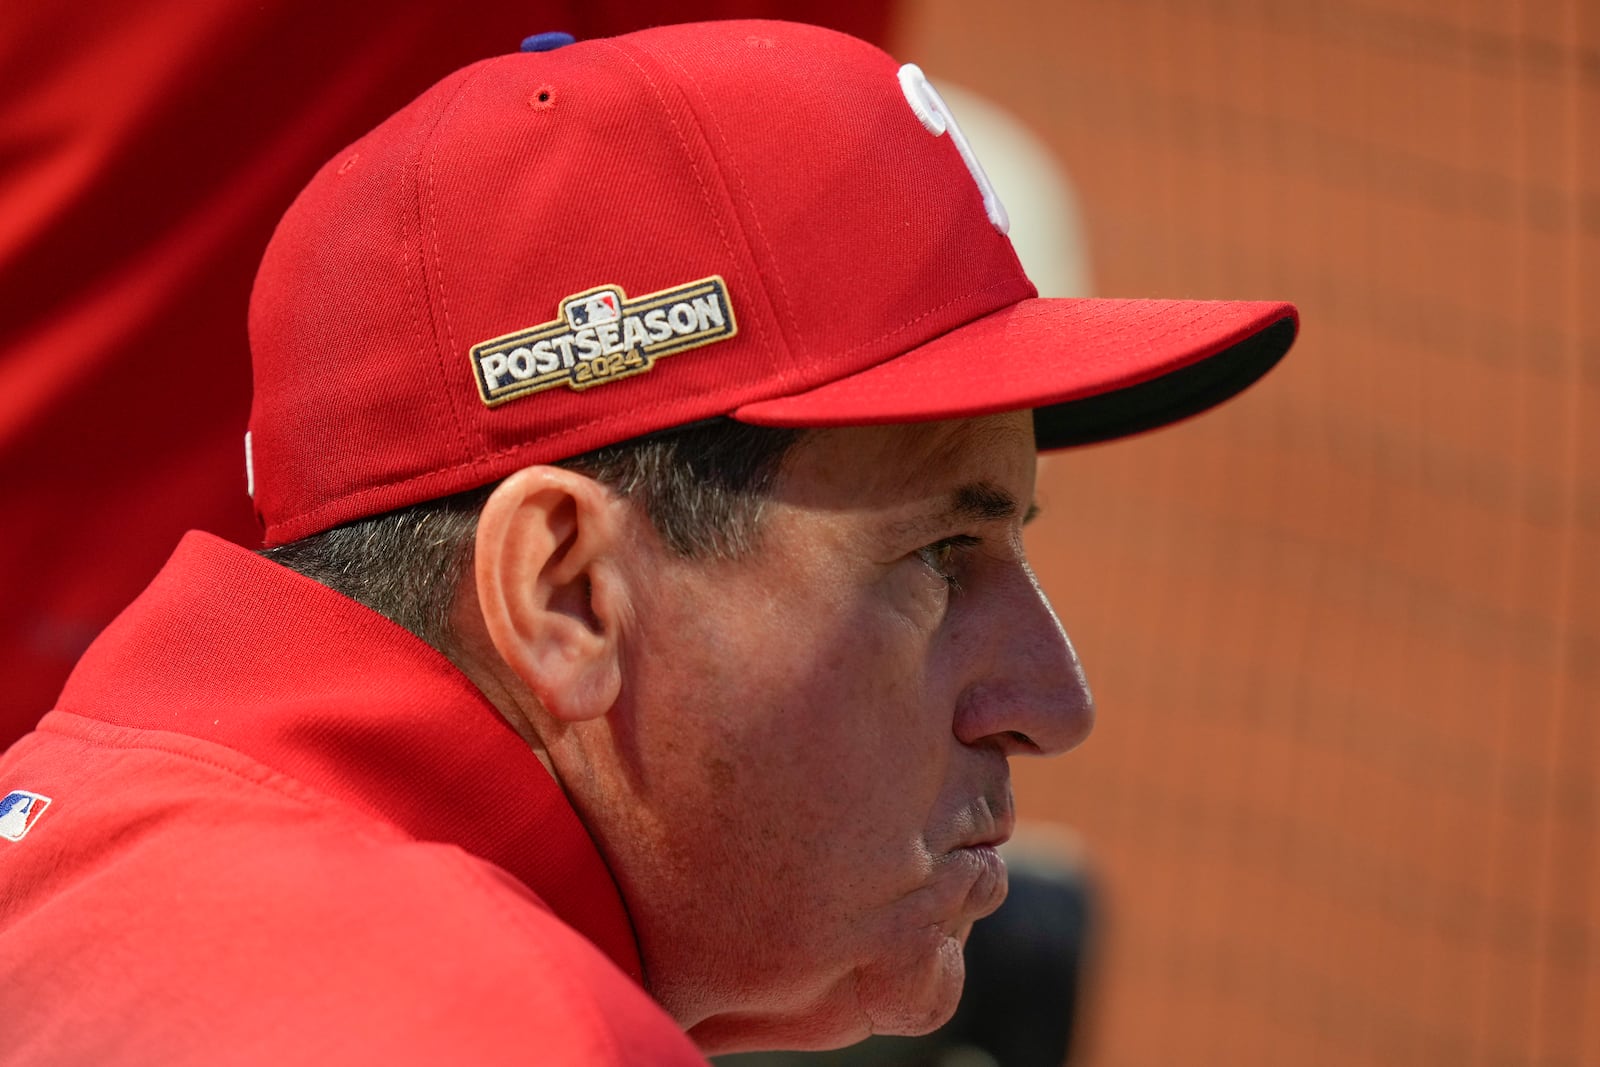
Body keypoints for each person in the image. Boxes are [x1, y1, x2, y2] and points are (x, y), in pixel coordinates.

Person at [0, 19, 1297, 1065]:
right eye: (936, 558)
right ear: (565, 593)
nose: (1051, 703)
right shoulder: (511, 1039)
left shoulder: (74, 841)